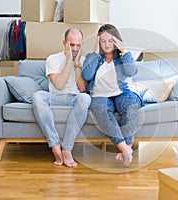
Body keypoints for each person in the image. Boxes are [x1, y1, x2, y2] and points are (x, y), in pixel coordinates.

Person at [82, 24, 142, 167]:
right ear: (98, 42)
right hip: (99, 95)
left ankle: (126, 148)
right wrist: (95, 53)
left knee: (131, 104)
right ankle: (125, 149)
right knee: (101, 109)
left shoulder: (121, 57)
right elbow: (87, 74)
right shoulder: (94, 57)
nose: (107, 44)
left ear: (116, 40)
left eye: (110, 40)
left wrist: (123, 50)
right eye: (103, 41)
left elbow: (131, 71)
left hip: (121, 92)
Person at [32, 28, 91, 167]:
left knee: (85, 98)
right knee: (37, 96)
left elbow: (83, 88)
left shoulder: (84, 61)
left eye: (78, 45)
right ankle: (54, 145)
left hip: (75, 98)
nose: (75, 48)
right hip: (55, 97)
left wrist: (76, 64)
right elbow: (59, 85)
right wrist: (68, 60)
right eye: (71, 45)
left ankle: (67, 148)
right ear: (64, 43)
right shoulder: (52, 59)